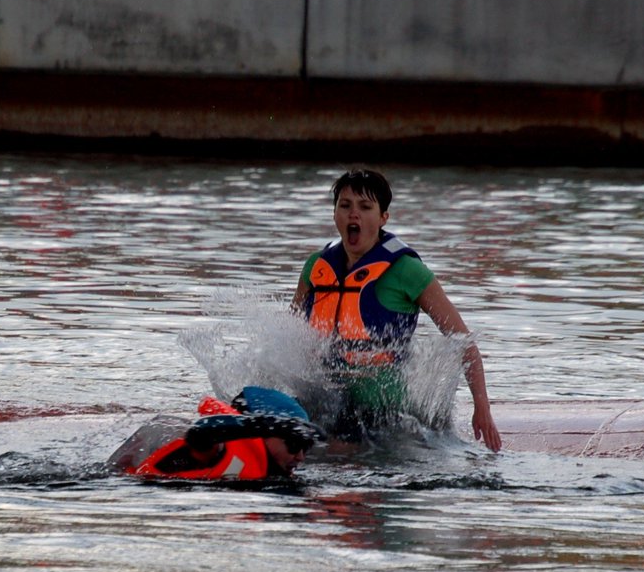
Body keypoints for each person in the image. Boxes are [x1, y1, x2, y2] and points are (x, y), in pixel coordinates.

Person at [291, 168, 502, 451]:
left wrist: (482, 408)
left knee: (332, 450)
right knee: (258, 410)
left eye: (365, 207)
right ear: (335, 214)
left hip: (377, 406)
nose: (354, 214)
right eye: (345, 206)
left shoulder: (406, 271)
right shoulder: (316, 267)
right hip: (323, 396)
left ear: (382, 218)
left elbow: (463, 342)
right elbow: (289, 336)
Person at [112, 386, 326, 480]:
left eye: (305, 447)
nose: (300, 456)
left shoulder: (261, 467)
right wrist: (269, 424)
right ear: (262, 433)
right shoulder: (220, 448)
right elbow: (200, 434)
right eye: (293, 444)